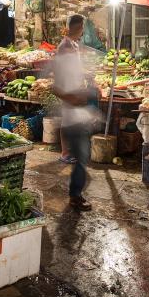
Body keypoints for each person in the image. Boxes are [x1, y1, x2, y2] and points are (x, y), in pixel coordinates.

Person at [52, 14, 97, 212]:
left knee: (82, 157)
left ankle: (75, 195)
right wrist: (74, 99)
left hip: (77, 110)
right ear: (79, 27)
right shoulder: (65, 49)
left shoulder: (72, 47)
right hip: (73, 111)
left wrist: (86, 79)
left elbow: (72, 75)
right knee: (81, 157)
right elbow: (57, 85)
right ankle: (75, 197)